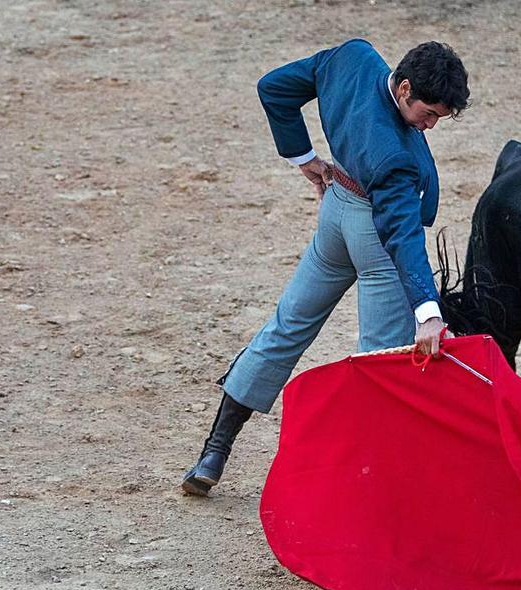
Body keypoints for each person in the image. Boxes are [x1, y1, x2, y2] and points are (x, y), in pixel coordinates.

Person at [181, 39, 470, 496]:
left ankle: (214, 453)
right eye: (427, 114)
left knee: (287, 326)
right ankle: (362, 486)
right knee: (379, 364)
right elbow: (402, 234)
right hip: (375, 239)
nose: (430, 126)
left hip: (335, 213)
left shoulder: (352, 58)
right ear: (405, 88)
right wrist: (427, 310)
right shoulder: (394, 159)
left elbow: (274, 88)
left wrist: (304, 159)